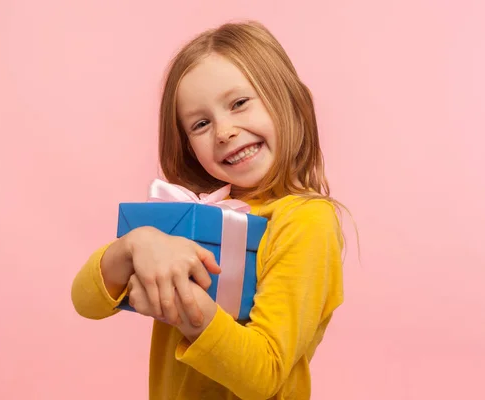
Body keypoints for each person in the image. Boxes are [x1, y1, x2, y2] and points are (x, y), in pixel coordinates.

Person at [72, 20, 348, 400]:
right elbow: (85, 302)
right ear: (187, 146)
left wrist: (183, 305)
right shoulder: (192, 214)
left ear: (287, 100)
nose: (224, 131)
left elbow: (263, 375)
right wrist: (135, 245)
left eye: (239, 103)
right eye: (201, 123)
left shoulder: (305, 221)